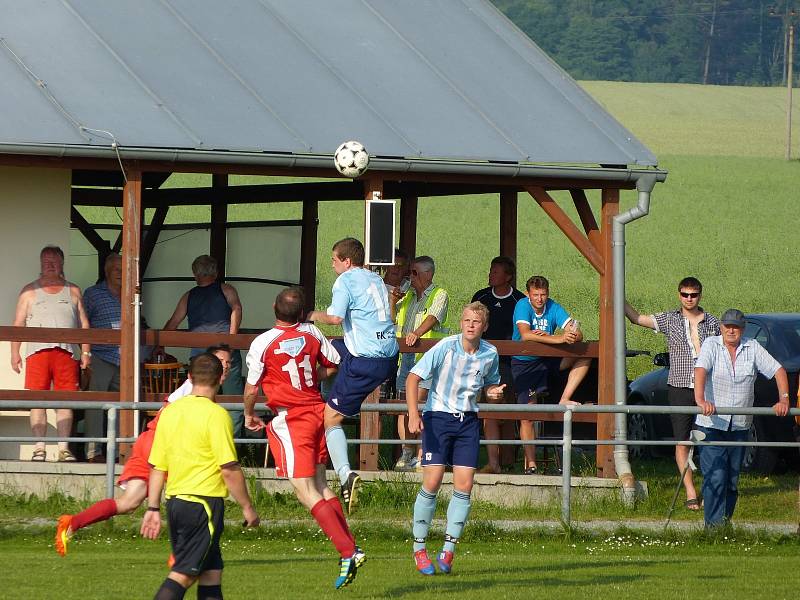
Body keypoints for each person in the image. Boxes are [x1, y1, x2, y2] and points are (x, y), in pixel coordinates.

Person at [54, 345, 233, 557]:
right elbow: (173, 415)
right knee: (189, 495)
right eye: (221, 362)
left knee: (129, 503)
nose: (225, 367)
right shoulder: (195, 388)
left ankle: (71, 523)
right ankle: (181, 557)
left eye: (228, 363)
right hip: (161, 442)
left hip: (149, 440)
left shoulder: (199, 389)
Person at [243, 287, 363, 589]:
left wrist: (248, 414)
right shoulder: (311, 332)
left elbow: (251, 388)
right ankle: (351, 546)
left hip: (291, 417)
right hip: (317, 411)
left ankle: (348, 551)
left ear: (274, 307)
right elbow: (333, 363)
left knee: (303, 489)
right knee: (321, 485)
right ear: (301, 312)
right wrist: (314, 375)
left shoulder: (262, 342)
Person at [141, 352, 260, 600]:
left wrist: (152, 507)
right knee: (184, 574)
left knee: (211, 572)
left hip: (175, 503)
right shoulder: (216, 415)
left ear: (189, 377)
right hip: (203, 504)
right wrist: (247, 507)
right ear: (220, 378)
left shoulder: (170, 412)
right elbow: (228, 468)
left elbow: (157, 466)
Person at [406, 302, 504, 575]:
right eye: (466, 320)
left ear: (484, 327)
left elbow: (491, 384)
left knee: (465, 485)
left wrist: (494, 393)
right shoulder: (445, 347)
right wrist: (414, 414)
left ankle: (448, 550)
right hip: (438, 418)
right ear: (461, 323)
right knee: (433, 480)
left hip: (468, 422)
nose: (470, 325)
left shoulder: (490, 353)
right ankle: (419, 548)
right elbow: (413, 378)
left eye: (476, 321)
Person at [307, 238, 399, 514]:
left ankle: (346, 476)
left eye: (334, 259)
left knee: (331, 418)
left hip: (365, 360)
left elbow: (335, 318)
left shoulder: (345, 280)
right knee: (330, 351)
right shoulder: (375, 278)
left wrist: (310, 315)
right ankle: (323, 383)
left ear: (346, 261)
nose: (332, 264)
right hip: (387, 356)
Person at [624, 276, 720, 510]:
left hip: (707, 387)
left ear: (700, 295)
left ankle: (710, 488)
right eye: (685, 294)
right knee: (682, 439)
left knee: (709, 439)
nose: (689, 299)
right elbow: (637, 319)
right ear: (679, 295)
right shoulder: (670, 319)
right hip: (679, 386)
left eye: (693, 295)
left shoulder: (713, 323)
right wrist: (618, 296)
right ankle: (689, 490)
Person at [694, 309, 790, 528]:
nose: (731, 330)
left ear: (742, 329)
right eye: (727, 326)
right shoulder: (711, 344)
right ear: (721, 327)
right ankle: (713, 528)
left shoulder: (752, 347)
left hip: (739, 426)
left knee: (732, 480)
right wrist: (701, 400)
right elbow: (700, 370)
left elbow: (778, 370)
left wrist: (783, 399)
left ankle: (725, 524)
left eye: (735, 327)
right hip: (711, 425)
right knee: (716, 476)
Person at [10, 245, 91, 462]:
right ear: (40, 264)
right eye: (46, 262)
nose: (50, 265)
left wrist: (86, 352)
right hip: (37, 353)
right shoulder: (29, 291)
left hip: (66, 353)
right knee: (38, 401)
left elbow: (84, 323)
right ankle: (39, 448)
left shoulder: (73, 290)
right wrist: (14, 352)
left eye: (54, 261)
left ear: (62, 264)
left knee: (65, 402)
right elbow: (18, 324)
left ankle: (64, 448)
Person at [511, 275, 590, 475]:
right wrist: (558, 338)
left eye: (543, 295)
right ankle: (531, 463)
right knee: (527, 414)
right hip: (525, 364)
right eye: (535, 295)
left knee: (585, 356)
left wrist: (570, 334)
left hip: (548, 360)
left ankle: (565, 397)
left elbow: (577, 332)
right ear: (528, 294)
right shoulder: (522, 305)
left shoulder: (554, 306)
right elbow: (526, 335)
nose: (539, 299)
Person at [162, 254, 245, 436]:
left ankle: (197, 437)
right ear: (215, 272)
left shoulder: (188, 296)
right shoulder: (226, 289)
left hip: (200, 357)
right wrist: (231, 340)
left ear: (195, 274)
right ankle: (234, 444)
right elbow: (236, 309)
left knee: (199, 398)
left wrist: (160, 344)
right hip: (226, 352)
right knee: (234, 400)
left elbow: (174, 322)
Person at [392, 256, 449, 471]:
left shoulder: (439, 294)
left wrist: (416, 333)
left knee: (420, 404)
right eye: (410, 272)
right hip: (405, 358)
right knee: (402, 405)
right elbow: (391, 321)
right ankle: (407, 452)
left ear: (428, 274)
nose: (410, 276)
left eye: (414, 272)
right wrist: (392, 300)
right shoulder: (407, 297)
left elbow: (433, 317)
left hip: (428, 358)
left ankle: (421, 453)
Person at [471, 256, 525, 474]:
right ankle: (491, 462)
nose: (490, 274)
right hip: (478, 362)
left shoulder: (519, 301)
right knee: (485, 411)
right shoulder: (481, 297)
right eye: (491, 270)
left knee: (503, 410)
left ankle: (508, 460)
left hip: (506, 365)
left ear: (508, 277)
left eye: (495, 271)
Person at [81, 253, 122, 462]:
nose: (121, 274)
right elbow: (82, 322)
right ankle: (93, 452)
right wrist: (84, 353)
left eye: (124, 270)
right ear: (107, 272)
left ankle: (119, 452)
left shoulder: (131, 295)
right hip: (100, 356)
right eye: (117, 270)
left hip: (125, 360)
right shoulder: (93, 294)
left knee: (124, 407)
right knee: (96, 406)